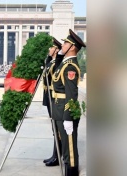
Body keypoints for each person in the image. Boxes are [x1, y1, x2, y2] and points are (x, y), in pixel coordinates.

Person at [51, 29, 86, 176]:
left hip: (65, 111)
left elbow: (71, 95)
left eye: (65, 43)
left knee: (69, 149)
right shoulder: (65, 63)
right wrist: (59, 55)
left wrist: (68, 117)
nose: (62, 45)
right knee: (65, 147)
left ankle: (71, 173)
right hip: (58, 109)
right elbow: (54, 71)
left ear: (72, 47)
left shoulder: (70, 67)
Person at [42, 37, 63, 166]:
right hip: (48, 96)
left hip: (54, 97)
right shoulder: (52, 62)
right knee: (54, 128)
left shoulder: (57, 63)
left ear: (56, 49)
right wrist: (49, 57)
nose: (49, 49)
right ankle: (54, 155)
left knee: (57, 129)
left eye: (51, 47)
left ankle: (57, 157)